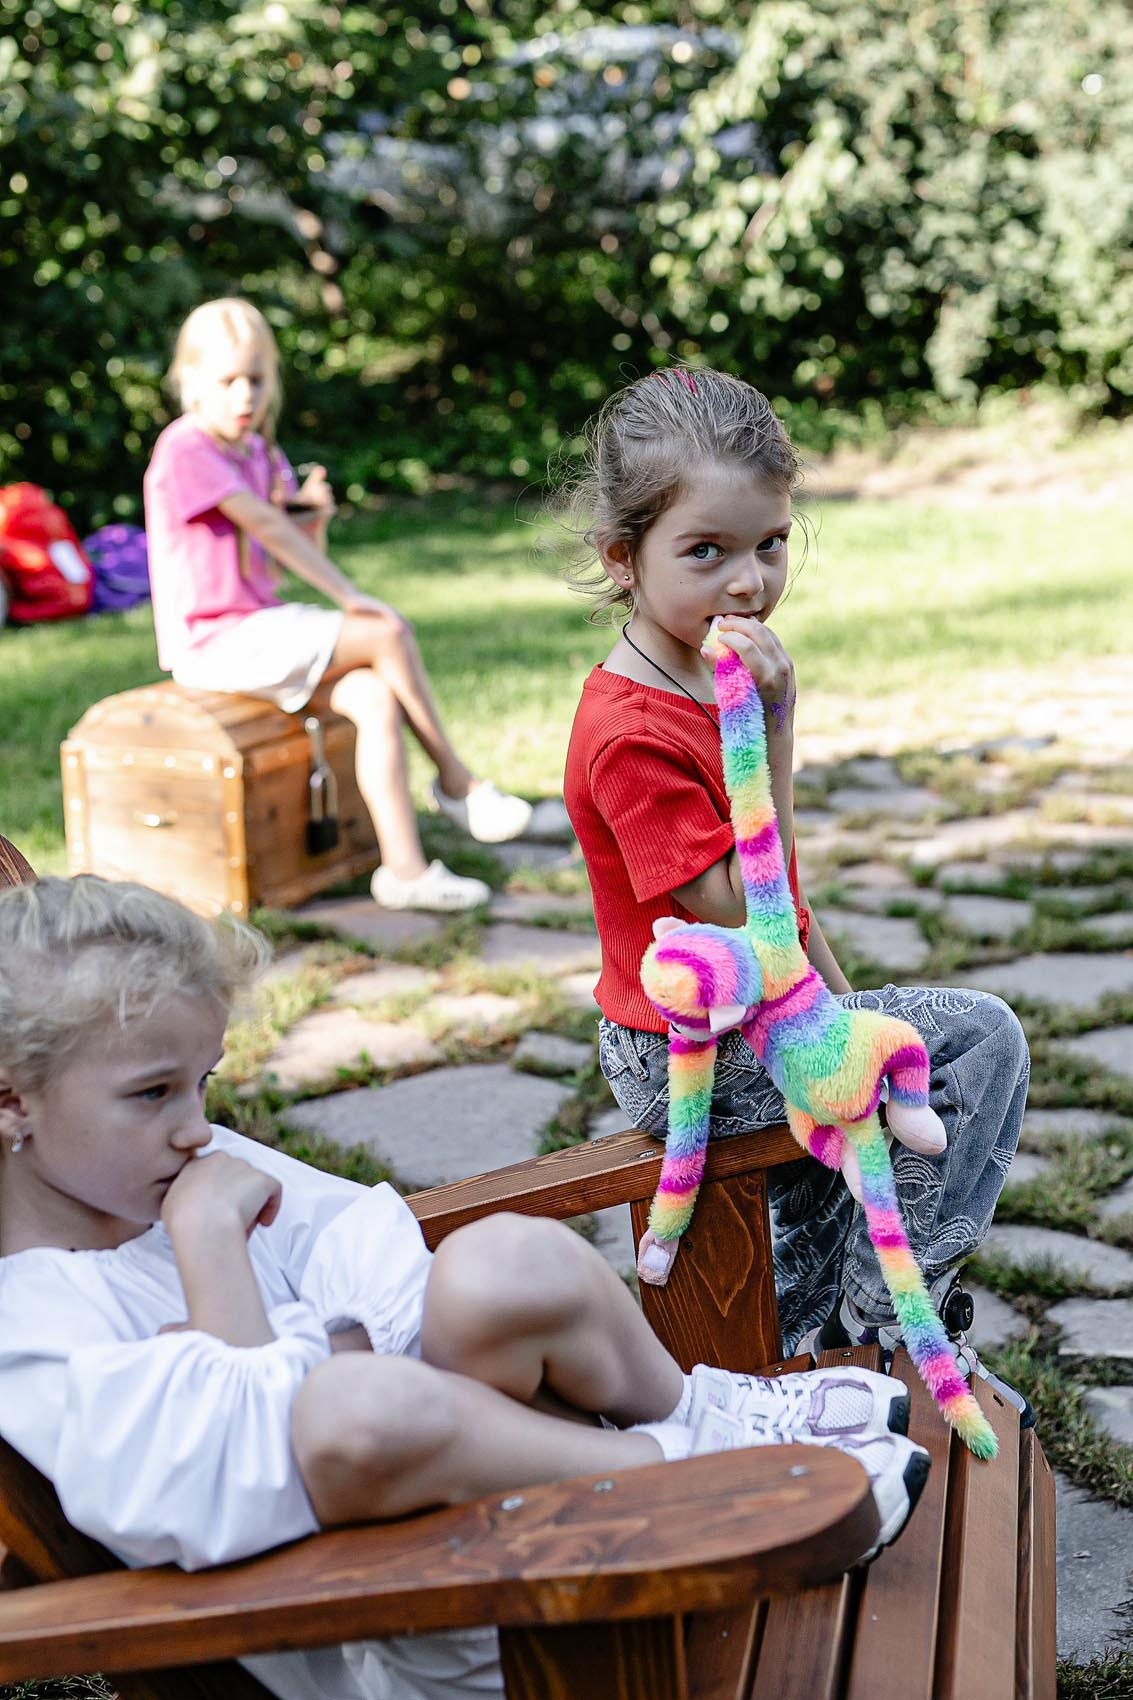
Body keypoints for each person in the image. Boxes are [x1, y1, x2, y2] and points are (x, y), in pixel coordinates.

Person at [0, 876, 929, 1700]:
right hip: (437, 1620)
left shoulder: (162, 1168)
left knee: (496, 1264)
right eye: (153, 1092)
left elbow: (374, 1259)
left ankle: (697, 1417)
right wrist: (217, 1254)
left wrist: (324, 1347)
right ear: (13, 1100)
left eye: (202, 1084)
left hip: (525, 1503)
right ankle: (693, 1488)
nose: (196, 1128)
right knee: (351, 1408)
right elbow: (249, 1473)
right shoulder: (35, 1326)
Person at [560, 368, 1031, 1398]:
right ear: (620, 557)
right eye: (705, 551)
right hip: (680, 1048)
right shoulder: (627, 731)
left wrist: (840, 998)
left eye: (768, 543)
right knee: (974, 1039)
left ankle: (837, 1340)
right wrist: (775, 722)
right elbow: (741, 901)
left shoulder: (699, 670)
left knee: (830, 1167)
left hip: (761, 1010)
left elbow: (789, 911)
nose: (748, 581)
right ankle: (889, 1325)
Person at [144, 296, 532, 914]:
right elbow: (268, 529)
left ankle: (404, 870)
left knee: (372, 697)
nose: (245, 395)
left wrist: (314, 520)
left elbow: (273, 560)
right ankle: (458, 782)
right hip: (212, 642)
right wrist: (348, 595)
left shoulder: (259, 454)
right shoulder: (186, 448)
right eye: (228, 381)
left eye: (257, 378)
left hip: (259, 629)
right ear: (189, 382)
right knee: (385, 630)